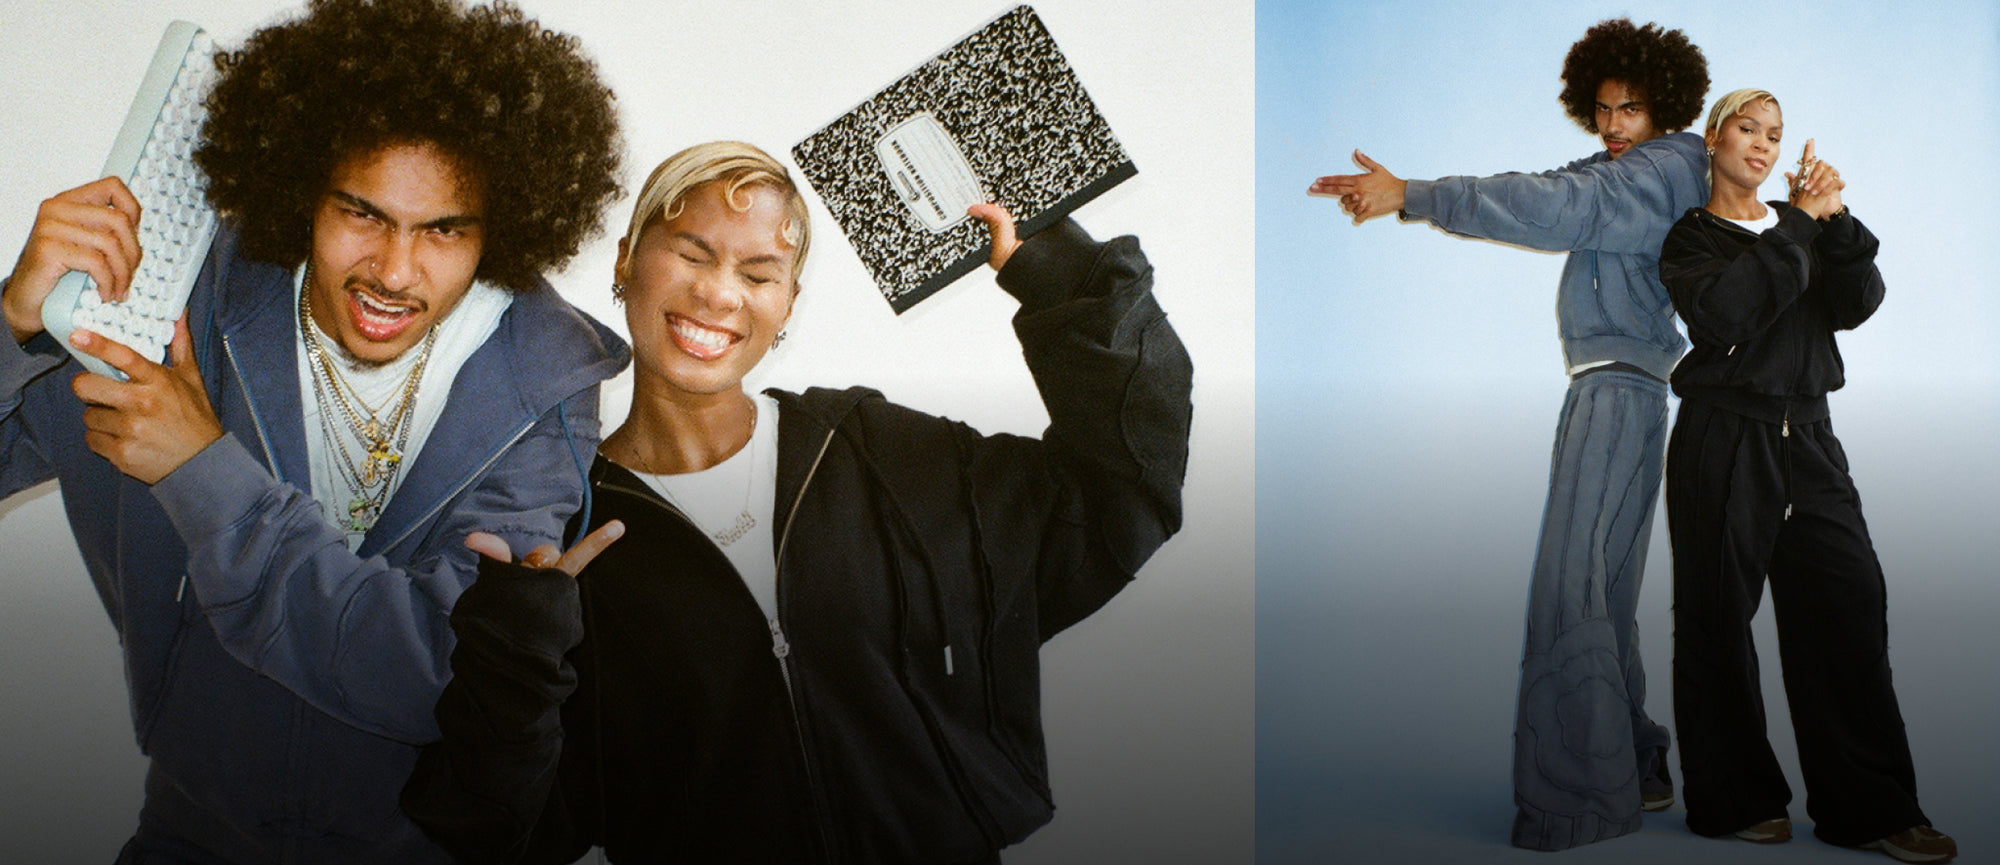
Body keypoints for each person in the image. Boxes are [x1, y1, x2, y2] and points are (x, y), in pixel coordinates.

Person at [400, 141, 1192, 864]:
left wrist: (1060, 278)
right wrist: (515, 660)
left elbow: (1122, 491)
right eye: (691, 252)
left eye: (757, 273)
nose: (717, 293)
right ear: (626, 260)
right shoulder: (563, 536)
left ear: (786, 303)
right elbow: (494, 831)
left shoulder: (876, 452)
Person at [0, 0, 626, 861]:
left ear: (504, 228)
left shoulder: (544, 383)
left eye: (444, 228)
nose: (394, 272)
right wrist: (13, 322)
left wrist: (203, 470)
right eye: (362, 213)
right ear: (303, 194)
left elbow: (438, 674)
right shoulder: (181, 307)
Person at [1307, 17, 1710, 851]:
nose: (1610, 127)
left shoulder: (1668, 167)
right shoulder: (1623, 165)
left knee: (1572, 590)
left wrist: (1415, 192)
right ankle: (1637, 763)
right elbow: (1538, 187)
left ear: (1663, 105)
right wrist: (1409, 201)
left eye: (1628, 109)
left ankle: (1579, 800)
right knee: (1599, 588)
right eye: (1601, 110)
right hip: (1616, 389)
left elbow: (1564, 206)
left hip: (1622, 391)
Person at [1659, 88, 1956, 864]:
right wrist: (1796, 222)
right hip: (1724, 438)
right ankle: (1733, 798)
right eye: (1748, 130)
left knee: (1849, 606)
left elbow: (1858, 303)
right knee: (1717, 619)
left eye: (1776, 135)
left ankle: (1870, 807)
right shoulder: (1691, 239)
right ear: (1714, 139)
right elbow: (1725, 317)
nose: (1763, 145)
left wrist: (1836, 221)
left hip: (1812, 439)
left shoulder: (1802, 233)